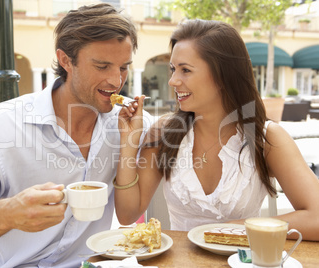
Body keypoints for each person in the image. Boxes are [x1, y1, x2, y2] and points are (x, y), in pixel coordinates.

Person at [0, 4, 153, 267]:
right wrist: (8, 214)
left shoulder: (126, 123)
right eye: (102, 66)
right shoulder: (3, 125)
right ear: (66, 60)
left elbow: (184, 125)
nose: (116, 80)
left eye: (124, 67)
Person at [115, 19, 319, 241]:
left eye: (185, 70)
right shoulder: (165, 131)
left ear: (223, 75)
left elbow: (316, 217)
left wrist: (238, 228)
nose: (173, 81)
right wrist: (129, 141)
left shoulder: (266, 137)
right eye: (173, 69)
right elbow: (127, 215)